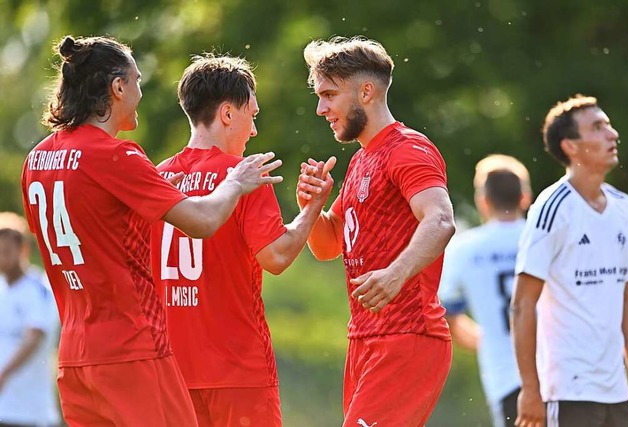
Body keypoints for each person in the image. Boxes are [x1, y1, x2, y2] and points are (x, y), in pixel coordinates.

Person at [20, 35, 282, 427]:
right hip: (133, 349)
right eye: (138, 80)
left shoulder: (36, 159)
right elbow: (204, 220)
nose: (141, 92)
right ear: (118, 87)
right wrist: (235, 181)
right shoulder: (116, 154)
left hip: (74, 356)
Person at [149, 53, 333, 427]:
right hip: (236, 372)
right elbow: (277, 257)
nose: (253, 131)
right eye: (252, 115)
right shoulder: (243, 175)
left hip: (170, 373)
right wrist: (314, 207)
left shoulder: (155, 177)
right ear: (228, 114)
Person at [297, 36, 456, 426]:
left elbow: (440, 220)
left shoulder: (407, 149)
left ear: (366, 91)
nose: (321, 108)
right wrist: (312, 208)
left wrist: (396, 273)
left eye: (329, 94)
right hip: (366, 337)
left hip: (408, 334)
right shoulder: (361, 161)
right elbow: (327, 245)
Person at [511, 94, 628, 427]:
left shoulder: (625, 208)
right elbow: (523, 304)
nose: (612, 134)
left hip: (617, 393)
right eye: (598, 127)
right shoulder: (552, 208)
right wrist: (530, 389)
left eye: (609, 125)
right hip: (567, 392)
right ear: (570, 146)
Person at [438, 154, 531, 427]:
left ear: (484, 201)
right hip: (560, 376)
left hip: (506, 378)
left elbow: (448, 316)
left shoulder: (465, 248)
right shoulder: (544, 239)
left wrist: (487, 339)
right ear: (524, 197)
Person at [0, 212, 60, 427]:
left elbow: (33, 338)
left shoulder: (38, 289)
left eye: (6, 251)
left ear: (23, 249)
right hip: (4, 406)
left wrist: (3, 374)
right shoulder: (1, 288)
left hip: (29, 411)